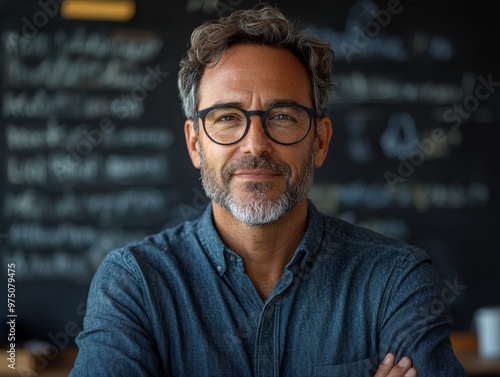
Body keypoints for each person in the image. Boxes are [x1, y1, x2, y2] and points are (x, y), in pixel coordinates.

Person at [69, 3, 467, 376]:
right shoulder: (135, 283)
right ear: (195, 144)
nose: (255, 144)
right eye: (227, 117)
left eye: (282, 116)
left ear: (321, 142)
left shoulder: (394, 280)